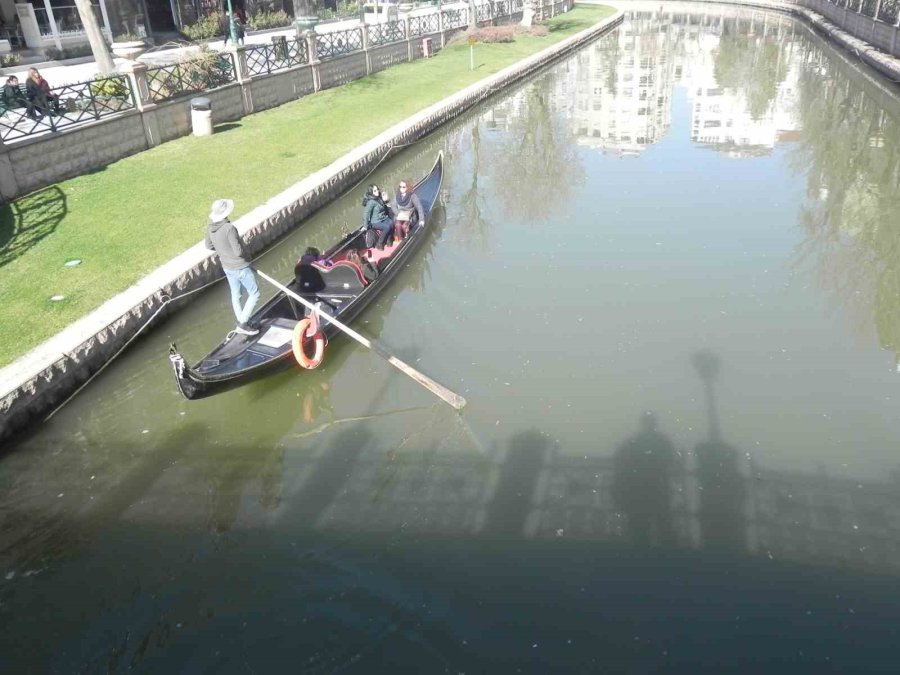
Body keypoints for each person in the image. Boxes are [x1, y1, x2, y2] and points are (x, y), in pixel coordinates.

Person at [205, 198, 261, 335]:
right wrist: (246, 252)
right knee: (255, 294)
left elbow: (209, 245)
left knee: (236, 295)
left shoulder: (211, 228)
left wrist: (223, 250)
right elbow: (238, 251)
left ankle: (242, 321)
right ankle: (243, 323)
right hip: (240, 267)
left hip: (227, 267)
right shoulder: (229, 228)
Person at [361, 185, 393, 250]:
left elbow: (383, 205)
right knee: (387, 227)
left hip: (383, 218)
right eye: (375, 191)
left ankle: (388, 240)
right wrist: (365, 226)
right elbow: (366, 214)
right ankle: (379, 243)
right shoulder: (371, 202)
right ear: (371, 193)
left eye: (377, 189)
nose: (377, 191)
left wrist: (386, 200)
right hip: (375, 222)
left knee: (391, 223)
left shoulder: (379, 197)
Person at [393, 179, 424, 243]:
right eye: (400, 187)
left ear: (407, 187)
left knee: (404, 226)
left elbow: (419, 207)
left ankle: (407, 238)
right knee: (397, 225)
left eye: (403, 187)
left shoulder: (412, 196)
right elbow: (393, 205)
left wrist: (421, 220)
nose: (401, 188)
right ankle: (401, 240)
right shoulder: (397, 195)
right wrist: (398, 213)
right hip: (400, 215)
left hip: (410, 215)